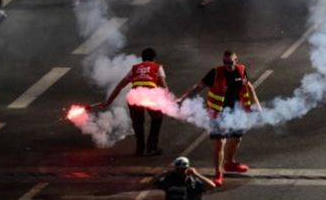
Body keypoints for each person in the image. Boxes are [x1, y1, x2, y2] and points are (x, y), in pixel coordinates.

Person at [177, 50, 262, 185]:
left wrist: (256, 105)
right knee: (220, 143)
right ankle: (218, 173)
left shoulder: (241, 70)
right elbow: (198, 87)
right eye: (225, 62)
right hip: (217, 113)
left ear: (236, 60)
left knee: (237, 138)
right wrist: (183, 99)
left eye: (230, 62)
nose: (227, 65)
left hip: (236, 111)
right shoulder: (215, 72)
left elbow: (249, 87)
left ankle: (230, 163)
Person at [92, 47, 168, 156]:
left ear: (142, 58)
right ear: (154, 58)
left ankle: (140, 149)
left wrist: (108, 101)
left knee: (138, 123)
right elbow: (164, 85)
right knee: (157, 118)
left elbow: (120, 86)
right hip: (150, 95)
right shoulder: (157, 67)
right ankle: (152, 147)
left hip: (134, 96)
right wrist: (168, 100)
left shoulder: (134, 68)